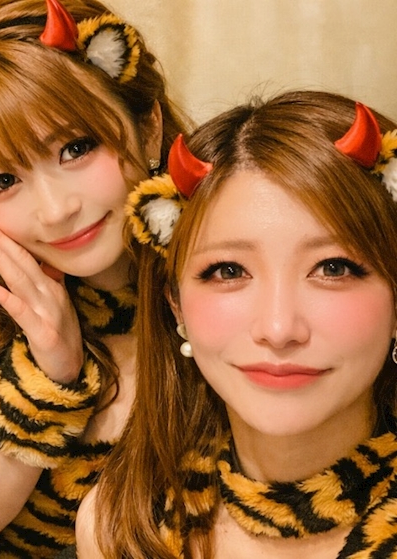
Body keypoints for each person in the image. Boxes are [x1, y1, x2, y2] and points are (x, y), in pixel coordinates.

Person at [0, 0, 187, 556]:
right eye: (2, 181)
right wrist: (49, 377)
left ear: (148, 128)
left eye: (76, 148)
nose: (54, 210)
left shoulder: (224, 265)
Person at [76, 90, 397, 558]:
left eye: (333, 268)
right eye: (228, 271)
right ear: (176, 305)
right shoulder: (122, 530)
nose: (278, 328)